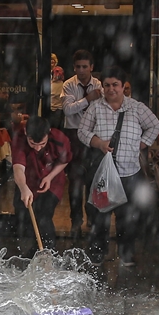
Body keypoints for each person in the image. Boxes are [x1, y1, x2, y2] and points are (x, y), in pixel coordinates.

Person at [77, 68, 159, 266]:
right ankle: (98, 254)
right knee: (100, 216)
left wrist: (141, 144)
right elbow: (82, 132)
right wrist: (99, 143)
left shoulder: (136, 107)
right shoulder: (95, 108)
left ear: (123, 87)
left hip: (129, 173)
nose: (111, 89)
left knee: (128, 217)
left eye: (115, 85)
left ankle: (126, 254)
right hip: (103, 174)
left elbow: (154, 125)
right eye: (107, 85)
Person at [12, 116, 70, 254]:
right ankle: (31, 250)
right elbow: (18, 168)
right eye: (32, 143)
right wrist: (23, 188)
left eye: (42, 144)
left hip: (53, 181)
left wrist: (50, 177)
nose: (37, 148)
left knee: (44, 215)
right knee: (23, 215)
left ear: (48, 133)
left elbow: (64, 161)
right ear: (26, 132)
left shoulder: (59, 138)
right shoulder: (19, 139)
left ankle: (48, 252)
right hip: (28, 181)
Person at [60, 49, 102, 238]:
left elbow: (101, 111)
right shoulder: (69, 84)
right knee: (75, 182)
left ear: (91, 67)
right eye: (78, 67)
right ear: (74, 67)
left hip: (93, 135)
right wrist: (87, 100)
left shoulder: (98, 85)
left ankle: (92, 219)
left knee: (93, 181)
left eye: (85, 66)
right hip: (74, 135)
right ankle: (75, 221)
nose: (81, 70)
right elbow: (67, 110)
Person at [48, 53, 65, 130]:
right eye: (50, 60)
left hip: (57, 101)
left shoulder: (58, 70)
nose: (51, 62)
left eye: (53, 60)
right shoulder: (44, 72)